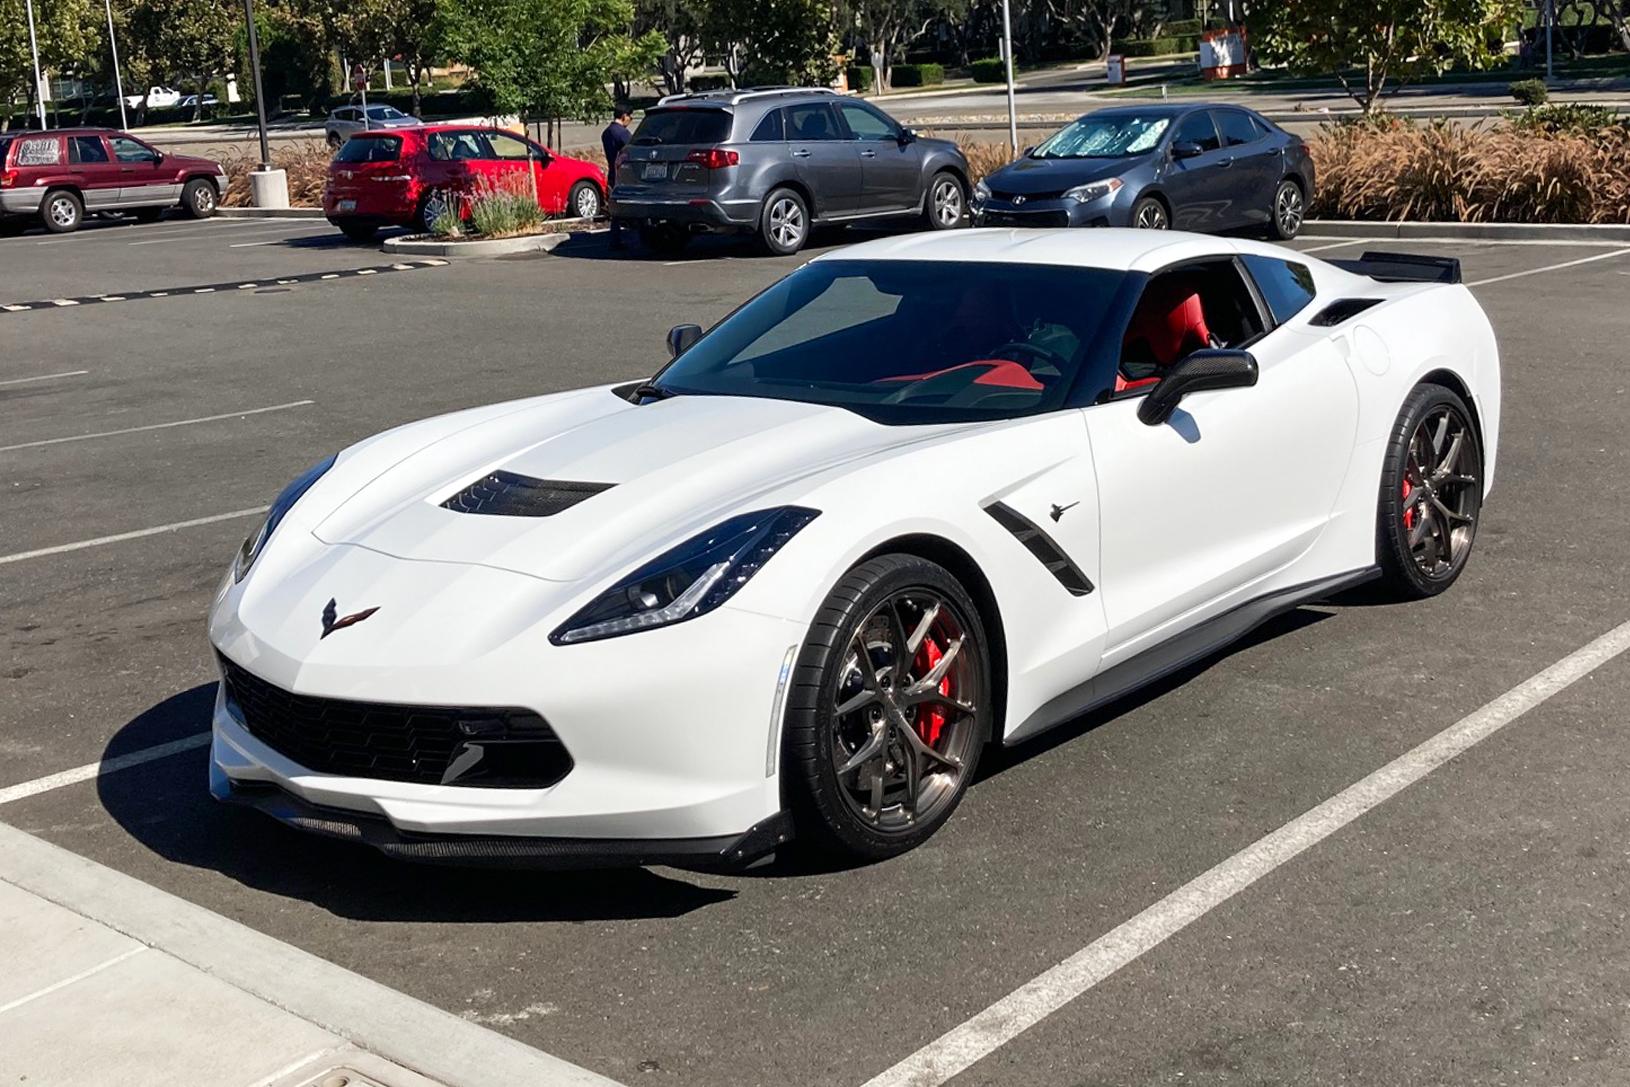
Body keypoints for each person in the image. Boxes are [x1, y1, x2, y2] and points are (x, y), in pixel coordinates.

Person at [601, 105, 634, 250]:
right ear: (624, 116)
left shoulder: (606, 132)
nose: (630, 120)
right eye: (630, 117)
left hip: (612, 172)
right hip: (624, 173)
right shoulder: (622, 133)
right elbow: (632, 149)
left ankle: (615, 238)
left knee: (615, 208)